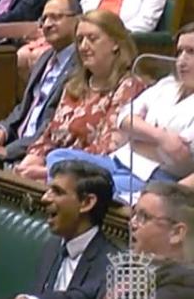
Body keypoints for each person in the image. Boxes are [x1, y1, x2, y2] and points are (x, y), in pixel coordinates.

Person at [49, 24, 194, 197]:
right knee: (57, 158)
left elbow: (181, 154)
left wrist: (137, 134)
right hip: (118, 160)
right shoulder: (167, 85)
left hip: (151, 176)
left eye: (191, 52)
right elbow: (124, 117)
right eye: (179, 52)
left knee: (85, 189)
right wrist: (160, 137)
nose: (182, 60)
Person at [14, 9, 145, 181]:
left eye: (92, 39)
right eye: (80, 40)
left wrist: (49, 172)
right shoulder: (73, 85)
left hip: (88, 179)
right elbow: (49, 134)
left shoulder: (130, 87)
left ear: (115, 43)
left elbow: (107, 149)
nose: (83, 47)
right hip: (51, 169)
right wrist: (31, 161)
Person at [0, 0, 81, 162]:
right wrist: (2, 131)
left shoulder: (80, 66)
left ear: (77, 20)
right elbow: (24, 107)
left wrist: (8, 151)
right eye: (44, 19)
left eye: (56, 17)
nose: (47, 24)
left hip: (39, 155)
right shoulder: (45, 57)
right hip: (14, 146)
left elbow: (55, 124)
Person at [15, 160, 118, 299]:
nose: (45, 198)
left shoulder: (113, 267)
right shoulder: (52, 247)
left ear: (87, 203)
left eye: (57, 192)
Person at [130, 183, 194, 298]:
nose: (132, 224)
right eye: (134, 214)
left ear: (176, 233)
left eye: (143, 217)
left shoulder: (183, 288)